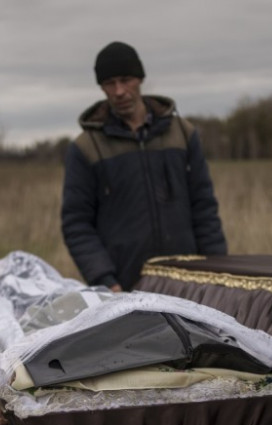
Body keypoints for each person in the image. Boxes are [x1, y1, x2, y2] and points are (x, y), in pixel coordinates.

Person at [60, 41, 228, 292]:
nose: (119, 91)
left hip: (190, 282)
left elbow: (204, 207)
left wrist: (219, 273)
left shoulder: (182, 133)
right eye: (110, 83)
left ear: (140, 79)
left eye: (126, 80)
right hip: (126, 289)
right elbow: (76, 223)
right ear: (102, 88)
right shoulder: (86, 148)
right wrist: (106, 281)